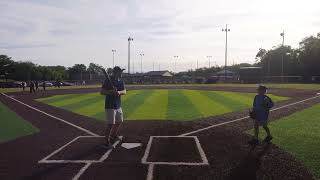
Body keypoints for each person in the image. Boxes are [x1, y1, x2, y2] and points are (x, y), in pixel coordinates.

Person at [100, 66, 126, 148]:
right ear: (116, 72)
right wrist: (111, 92)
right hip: (110, 106)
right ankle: (106, 143)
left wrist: (119, 92)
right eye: (120, 72)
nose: (122, 73)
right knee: (110, 124)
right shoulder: (108, 80)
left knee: (120, 121)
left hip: (118, 105)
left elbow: (124, 91)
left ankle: (114, 135)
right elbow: (102, 91)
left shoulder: (120, 81)